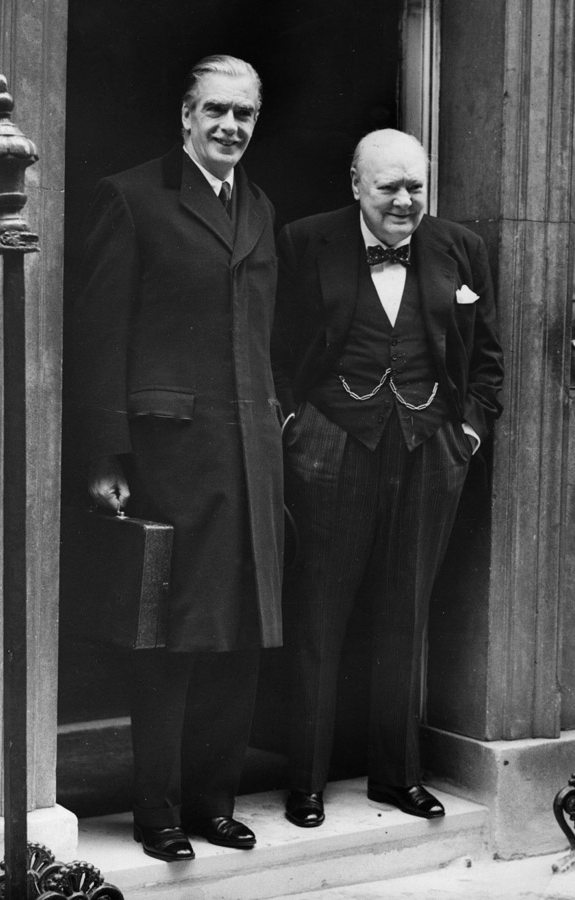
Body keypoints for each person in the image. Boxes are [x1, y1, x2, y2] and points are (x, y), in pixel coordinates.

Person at [71, 55, 283, 862]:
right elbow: (99, 335)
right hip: (169, 457)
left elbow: (272, 337)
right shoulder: (132, 198)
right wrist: (104, 453)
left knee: (239, 636)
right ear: (186, 116)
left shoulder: (260, 207)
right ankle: (156, 812)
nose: (231, 127)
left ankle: (214, 803)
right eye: (217, 111)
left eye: (245, 115)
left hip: (251, 462)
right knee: (168, 641)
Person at [271, 129, 503, 828]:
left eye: (416, 188)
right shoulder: (304, 240)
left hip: (430, 445)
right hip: (331, 443)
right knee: (319, 610)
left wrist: (468, 429)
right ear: (355, 185)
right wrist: (293, 426)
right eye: (389, 188)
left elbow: (487, 353)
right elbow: (272, 343)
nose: (405, 201)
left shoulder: (461, 247)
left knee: (407, 611)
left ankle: (395, 776)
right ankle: (306, 781)